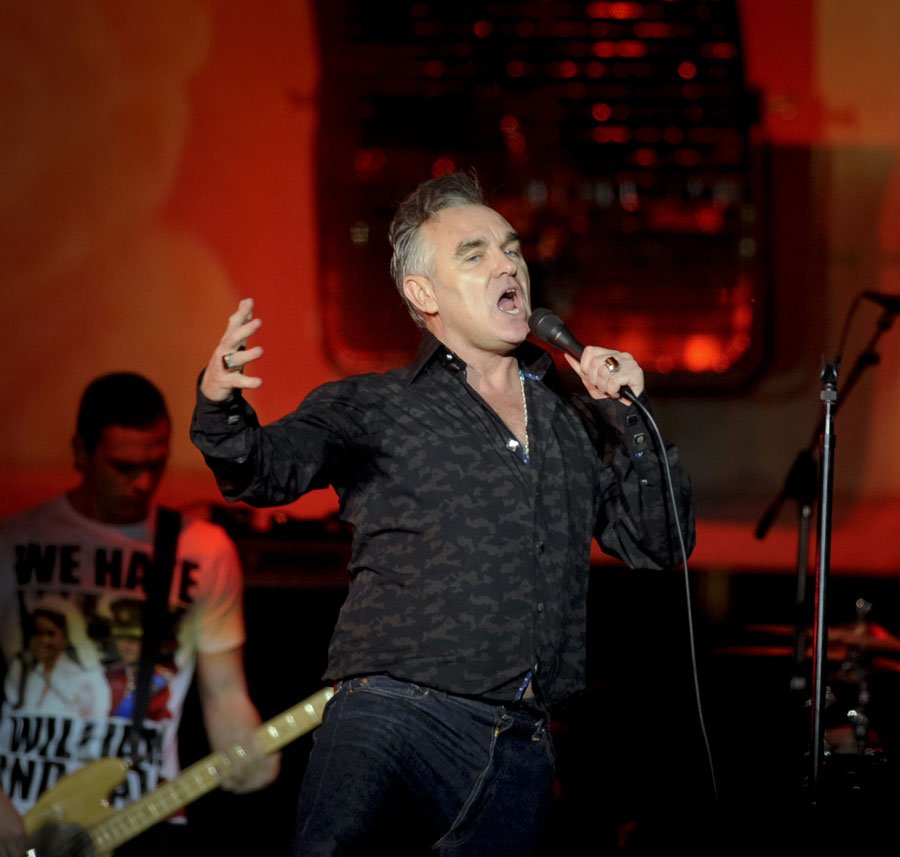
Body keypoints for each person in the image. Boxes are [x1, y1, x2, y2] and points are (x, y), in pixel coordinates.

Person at [189, 170, 694, 856]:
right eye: (474, 254)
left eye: (510, 249)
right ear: (423, 294)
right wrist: (220, 404)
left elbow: (660, 542)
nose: (506, 264)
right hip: (393, 717)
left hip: (520, 742)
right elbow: (262, 468)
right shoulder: (376, 405)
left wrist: (630, 416)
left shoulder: (576, 419)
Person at [0, 372, 279, 857]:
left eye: (156, 464)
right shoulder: (14, 543)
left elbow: (225, 692)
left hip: (143, 817)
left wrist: (247, 749)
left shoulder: (202, 550)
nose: (144, 483)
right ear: (81, 452)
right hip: (21, 814)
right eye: (124, 467)